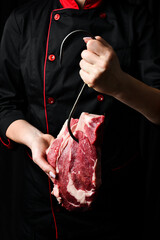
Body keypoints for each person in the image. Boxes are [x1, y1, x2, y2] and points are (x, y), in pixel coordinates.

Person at [0, 0, 160, 239]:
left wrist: (119, 85)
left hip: (117, 199)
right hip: (44, 201)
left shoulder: (136, 18)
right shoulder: (24, 19)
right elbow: (4, 104)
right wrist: (33, 139)